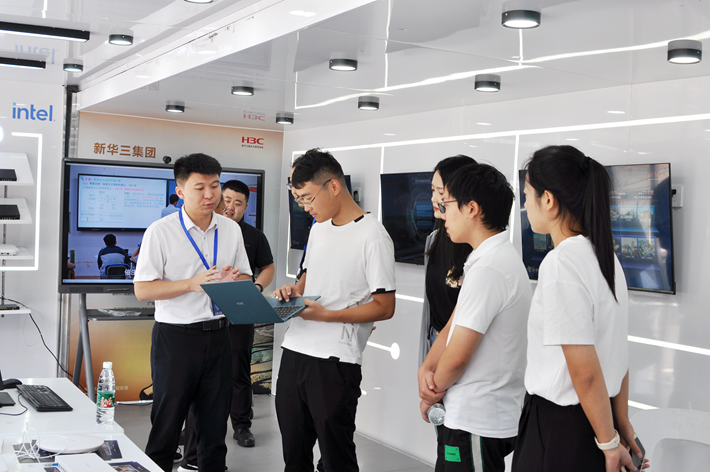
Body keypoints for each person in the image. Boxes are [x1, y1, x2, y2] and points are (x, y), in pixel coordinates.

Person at [511, 145, 645, 472]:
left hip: (563, 429)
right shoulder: (606, 258)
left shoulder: (562, 262)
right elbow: (617, 354)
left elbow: (584, 370)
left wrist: (610, 443)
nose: (525, 205)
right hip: (598, 420)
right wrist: (619, 423)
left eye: (527, 195)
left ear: (548, 200)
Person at [274, 149, 396, 472]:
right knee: (294, 454)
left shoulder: (373, 236)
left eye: (307, 198)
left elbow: (385, 307)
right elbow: (306, 277)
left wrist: (327, 315)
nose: (305, 207)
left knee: (336, 456)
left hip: (335, 360)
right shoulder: (318, 228)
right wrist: (292, 291)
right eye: (299, 199)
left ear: (333, 186)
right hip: (295, 349)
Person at [134, 153, 253, 472]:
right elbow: (143, 289)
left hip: (220, 336)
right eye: (200, 187)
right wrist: (191, 284)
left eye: (215, 185)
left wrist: (232, 279)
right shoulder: (161, 231)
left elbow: (245, 276)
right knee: (167, 427)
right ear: (181, 191)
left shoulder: (231, 229)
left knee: (213, 431)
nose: (210, 194)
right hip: (176, 339)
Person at [418, 163, 532, 472]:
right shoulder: (485, 259)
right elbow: (452, 326)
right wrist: (427, 368)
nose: (443, 213)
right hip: (472, 417)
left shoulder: (489, 268)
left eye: (448, 204)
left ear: (471, 208)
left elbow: (457, 357)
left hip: (476, 420)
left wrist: (431, 393)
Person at [179, 180, 274, 472]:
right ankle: (190, 435)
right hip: (203, 317)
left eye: (238, 203)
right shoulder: (203, 231)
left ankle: (242, 425)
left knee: (238, 369)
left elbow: (267, 267)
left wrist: (255, 287)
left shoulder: (252, 236)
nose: (231, 207)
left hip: (239, 312)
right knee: (199, 377)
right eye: (227, 200)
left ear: (246, 207)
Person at [419, 155, 476, 366]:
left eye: (441, 193)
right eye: (432, 190)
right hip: (435, 340)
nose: (434, 199)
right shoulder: (434, 239)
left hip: (461, 349)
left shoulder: (475, 249)